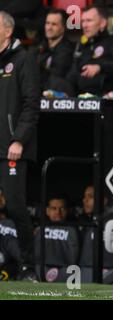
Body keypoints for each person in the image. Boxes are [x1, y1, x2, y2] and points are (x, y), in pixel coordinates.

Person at [0, 11, 40, 280]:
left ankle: (28, 265)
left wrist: (18, 139)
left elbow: (31, 104)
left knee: (14, 206)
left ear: (7, 31)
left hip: (11, 147)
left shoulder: (23, 60)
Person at [66, 5, 113, 97]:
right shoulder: (83, 45)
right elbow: (73, 74)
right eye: (83, 21)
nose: (84, 25)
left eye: (89, 21)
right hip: (81, 97)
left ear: (103, 23)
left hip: (107, 100)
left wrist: (100, 67)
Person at [36, 9, 74, 94]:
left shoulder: (67, 50)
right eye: (47, 23)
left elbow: (56, 75)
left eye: (54, 24)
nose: (49, 27)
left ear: (63, 28)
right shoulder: (40, 46)